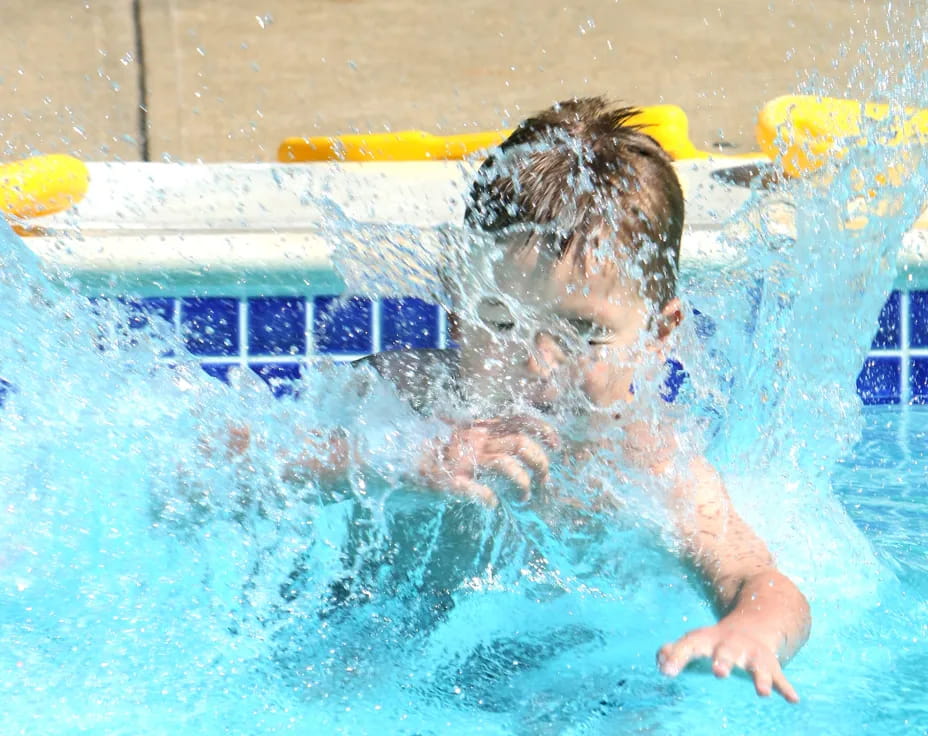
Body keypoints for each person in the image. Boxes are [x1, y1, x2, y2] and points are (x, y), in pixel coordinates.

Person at [231, 97, 811, 703]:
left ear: (658, 336)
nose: (537, 362)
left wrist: (748, 630)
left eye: (584, 333)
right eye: (501, 321)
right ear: (458, 304)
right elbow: (205, 468)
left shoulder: (646, 466)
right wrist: (396, 460)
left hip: (567, 678)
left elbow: (758, 578)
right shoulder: (405, 395)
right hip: (367, 649)